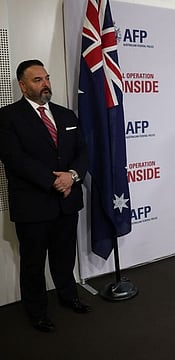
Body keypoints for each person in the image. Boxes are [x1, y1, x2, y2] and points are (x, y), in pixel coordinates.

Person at [0, 59, 91, 332]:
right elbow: (15, 159)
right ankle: (37, 312)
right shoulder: (7, 117)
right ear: (22, 85)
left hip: (66, 202)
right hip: (33, 205)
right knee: (33, 263)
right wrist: (55, 181)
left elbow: (83, 152)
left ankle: (69, 296)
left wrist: (72, 176)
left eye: (47, 78)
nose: (45, 84)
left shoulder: (66, 115)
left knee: (64, 257)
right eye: (37, 80)